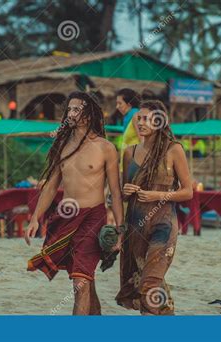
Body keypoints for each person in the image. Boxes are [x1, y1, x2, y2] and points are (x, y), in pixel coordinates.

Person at [24, 91, 124, 315]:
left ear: (88, 113)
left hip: (93, 218)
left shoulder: (105, 148)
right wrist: (34, 218)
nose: (71, 113)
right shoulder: (62, 145)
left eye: (76, 109)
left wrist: (121, 228)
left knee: (79, 282)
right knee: (85, 277)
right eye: (69, 109)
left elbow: (116, 193)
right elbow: (50, 186)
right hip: (66, 218)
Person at [115, 100, 193, 315]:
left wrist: (158, 194)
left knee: (150, 281)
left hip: (163, 225)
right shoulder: (129, 152)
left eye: (146, 118)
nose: (140, 122)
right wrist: (126, 191)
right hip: (136, 225)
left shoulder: (173, 149)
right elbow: (121, 193)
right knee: (144, 278)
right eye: (138, 118)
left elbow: (188, 191)